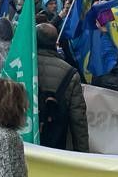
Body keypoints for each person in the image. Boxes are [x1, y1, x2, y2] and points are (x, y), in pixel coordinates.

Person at [36, 24, 89, 152]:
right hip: (56, 143)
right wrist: (83, 155)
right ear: (56, 42)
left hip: (26, 141)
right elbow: (78, 119)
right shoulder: (70, 73)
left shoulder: (21, 65)